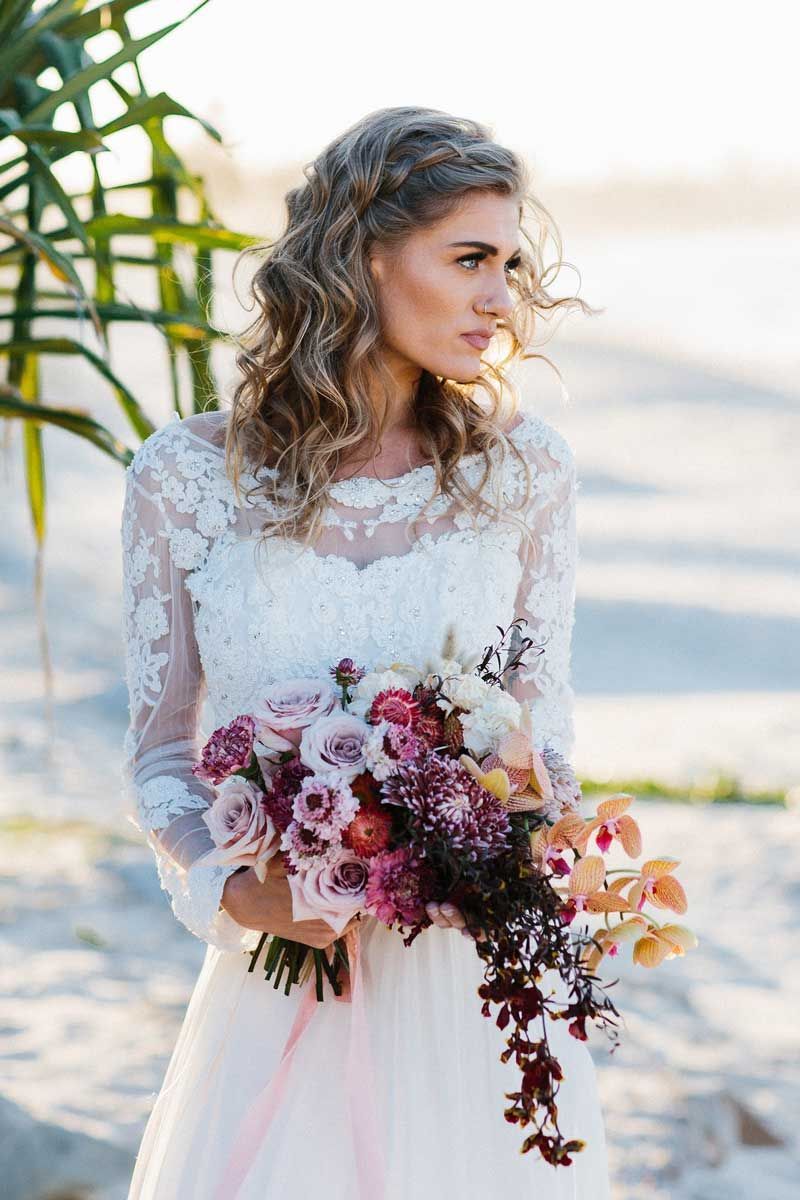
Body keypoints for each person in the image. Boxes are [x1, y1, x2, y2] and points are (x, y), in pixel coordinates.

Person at [121, 105, 611, 1199]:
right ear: (367, 256)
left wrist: (512, 815)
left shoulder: (523, 472)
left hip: (468, 987)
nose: (501, 298)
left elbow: (544, 725)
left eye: (511, 264)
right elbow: (158, 754)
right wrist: (239, 895)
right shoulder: (185, 480)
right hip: (280, 981)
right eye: (469, 259)